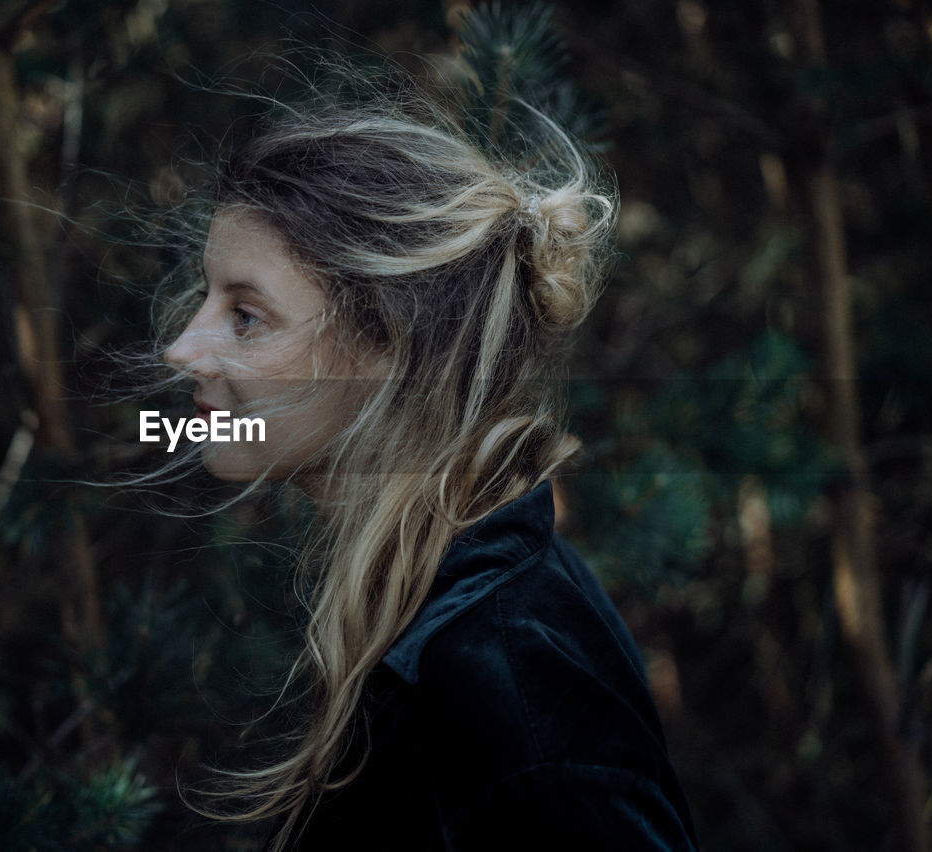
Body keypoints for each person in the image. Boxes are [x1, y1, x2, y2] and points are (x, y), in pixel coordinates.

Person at [154, 66, 699, 851]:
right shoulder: (428, 611)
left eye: (245, 315)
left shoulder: (506, 683)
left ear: (384, 345)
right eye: (207, 298)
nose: (181, 348)